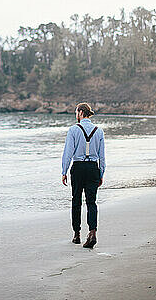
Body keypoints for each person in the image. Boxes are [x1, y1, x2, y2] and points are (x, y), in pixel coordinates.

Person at [61, 102, 106, 248]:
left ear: (81, 112)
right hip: (93, 168)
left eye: (76, 112)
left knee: (76, 201)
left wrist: (64, 171)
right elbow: (102, 156)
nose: (76, 115)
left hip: (78, 167)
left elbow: (68, 153)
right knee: (92, 202)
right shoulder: (99, 131)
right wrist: (101, 173)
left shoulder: (73, 130)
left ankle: (77, 234)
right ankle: (92, 233)